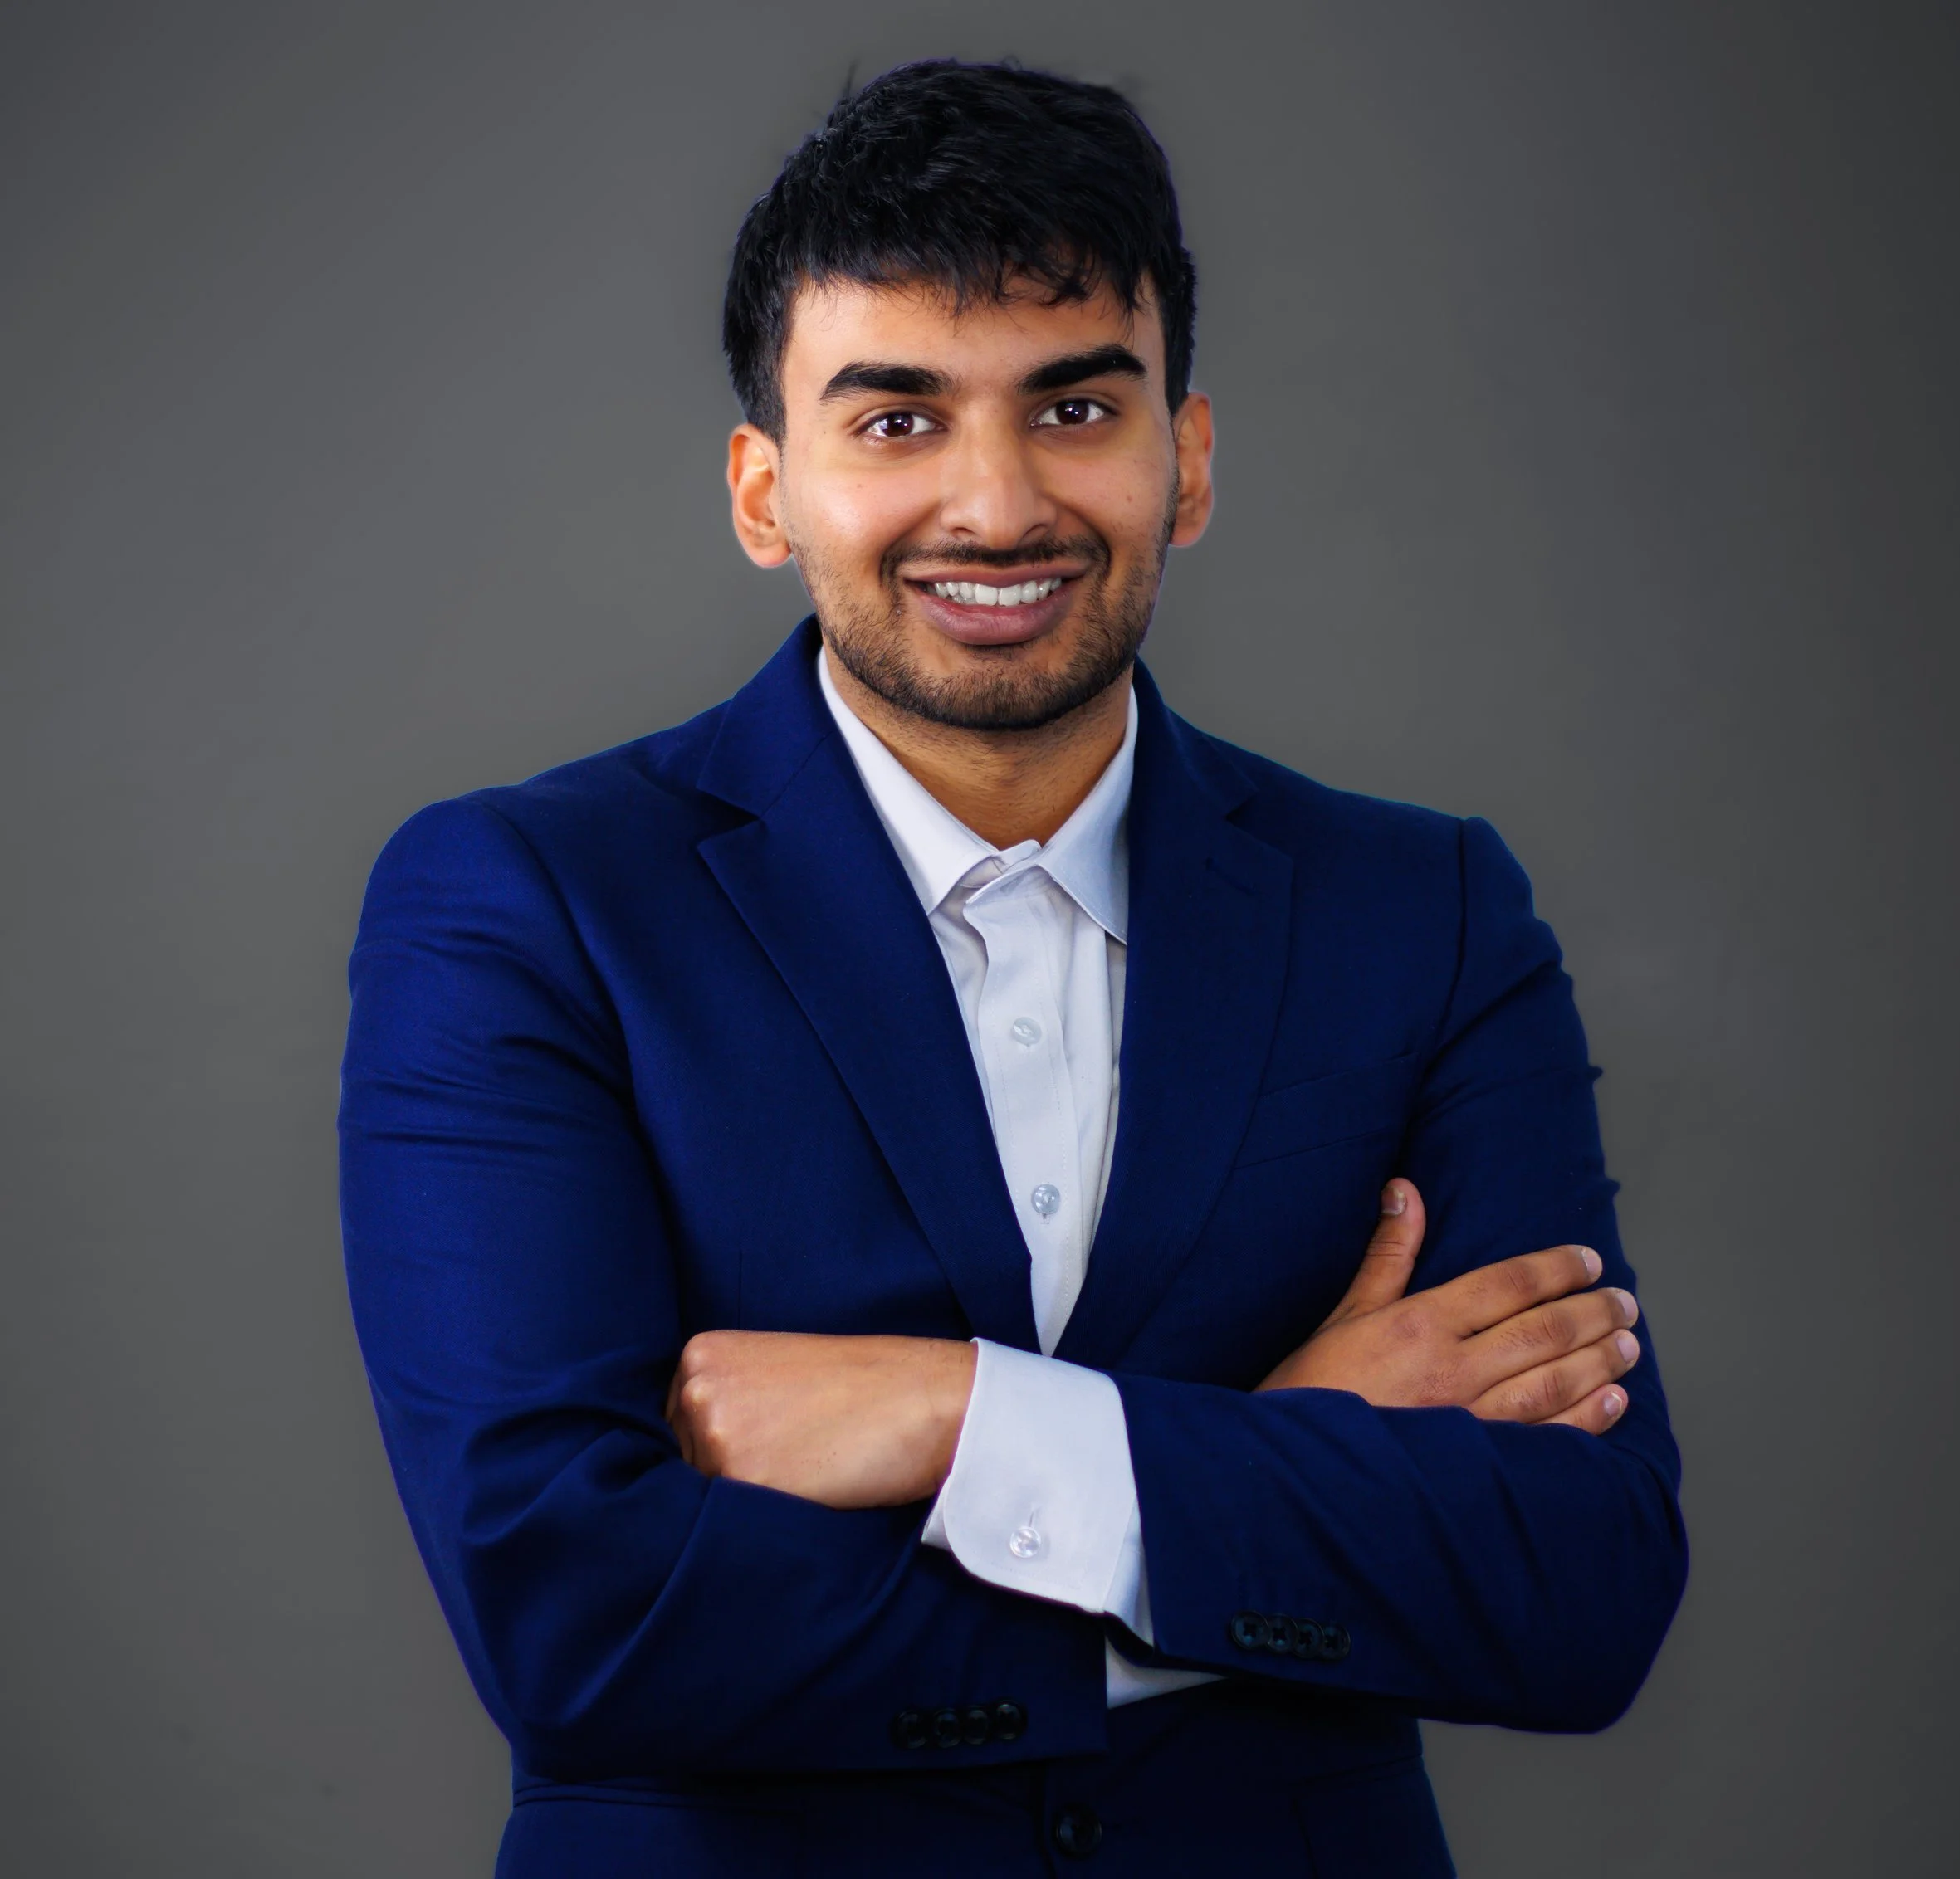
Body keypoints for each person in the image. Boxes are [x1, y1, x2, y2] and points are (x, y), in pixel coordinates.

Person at [340, 59, 1685, 1877]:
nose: (994, 504)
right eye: (896, 419)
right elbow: (579, 1623)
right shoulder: (525, 904)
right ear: (763, 490)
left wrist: (960, 1416)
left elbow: (1578, 1586)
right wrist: (1270, 1463)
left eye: (1073, 406)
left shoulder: (1424, 909)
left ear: (1184, 461)